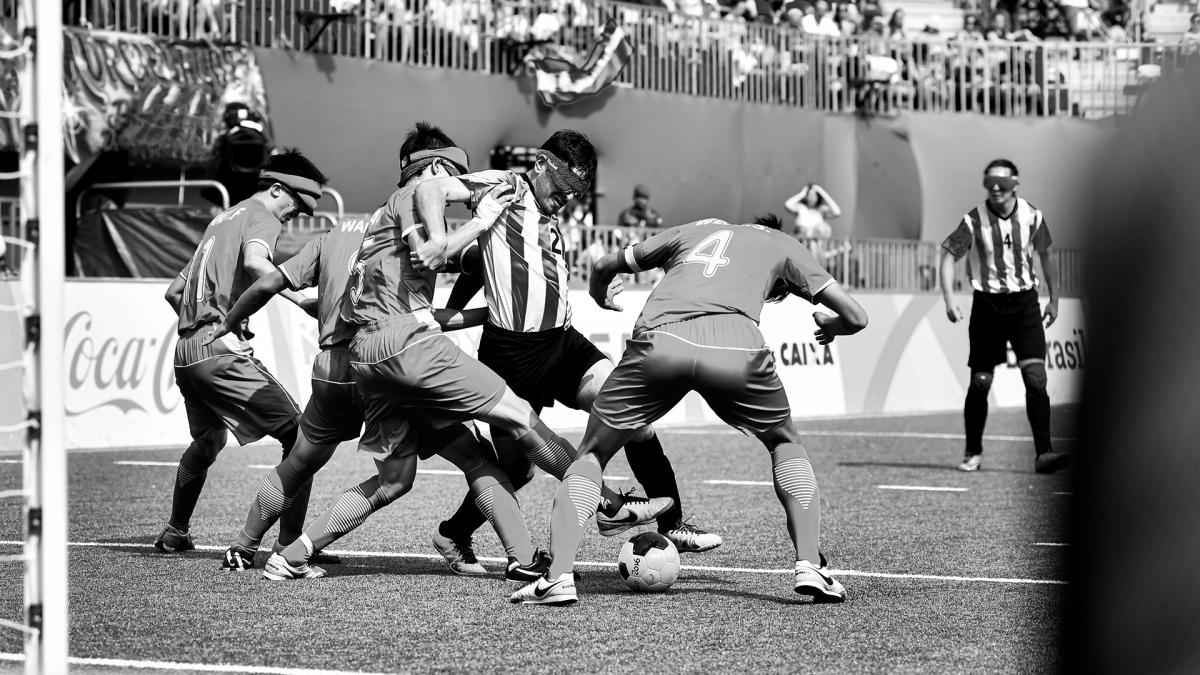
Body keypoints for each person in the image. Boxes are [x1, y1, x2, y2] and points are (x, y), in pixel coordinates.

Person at [264, 130, 671, 581]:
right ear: (435, 166)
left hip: (368, 356)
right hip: (410, 348)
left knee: (398, 479)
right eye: (454, 171)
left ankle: (293, 553)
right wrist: (467, 228)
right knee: (514, 425)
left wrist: (477, 301)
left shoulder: (370, 222)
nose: (459, 181)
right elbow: (433, 229)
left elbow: (428, 300)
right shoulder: (436, 196)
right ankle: (604, 506)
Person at [210, 123, 542, 579]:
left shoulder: (339, 234)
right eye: (455, 176)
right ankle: (527, 552)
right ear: (437, 168)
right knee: (473, 455)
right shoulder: (410, 218)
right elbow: (428, 287)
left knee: (302, 463)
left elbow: (267, 279)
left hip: (335, 366)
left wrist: (230, 321)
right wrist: (490, 244)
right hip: (392, 358)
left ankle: (247, 547)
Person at [510, 213, 870, 605]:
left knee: (592, 455)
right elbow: (857, 317)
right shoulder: (784, 245)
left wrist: (600, 292)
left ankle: (558, 577)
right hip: (736, 348)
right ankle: (810, 567)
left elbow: (601, 265)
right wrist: (832, 326)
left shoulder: (697, 229)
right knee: (784, 443)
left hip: (661, 341)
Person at [412, 131, 719, 566]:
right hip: (513, 355)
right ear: (540, 164)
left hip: (563, 342)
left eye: (574, 195)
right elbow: (431, 187)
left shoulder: (543, 212)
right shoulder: (507, 187)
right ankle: (453, 533)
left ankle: (672, 525)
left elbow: (487, 265)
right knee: (519, 471)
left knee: (634, 414)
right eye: (561, 190)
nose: (565, 201)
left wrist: (597, 294)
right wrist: (440, 239)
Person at [155, 149, 328, 553]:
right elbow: (255, 262)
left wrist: (206, 319)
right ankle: (288, 545)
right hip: (218, 349)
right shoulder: (261, 216)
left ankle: (175, 531)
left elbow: (174, 292)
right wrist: (301, 298)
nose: (294, 217)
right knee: (303, 437)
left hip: (186, 352)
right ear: (278, 190)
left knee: (208, 442)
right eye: (297, 206)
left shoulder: (220, 220)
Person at [938, 159, 1070, 475]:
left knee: (1036, 379)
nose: (995, 189)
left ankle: (1044, 454)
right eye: (989, 183)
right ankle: (973, 452)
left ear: (1015, 184)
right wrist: (949, 299)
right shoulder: (973, 221)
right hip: (987, 305)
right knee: (981, 381)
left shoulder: (1032, 216)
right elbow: (947, 258)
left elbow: (1047, 256)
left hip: (1024, 303)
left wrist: (1054, 298)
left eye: (1002, 183)